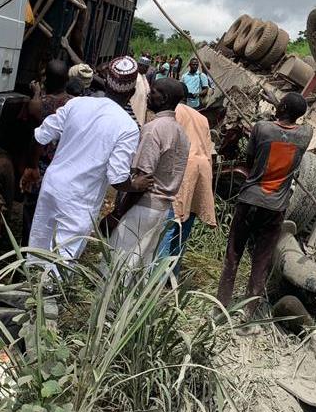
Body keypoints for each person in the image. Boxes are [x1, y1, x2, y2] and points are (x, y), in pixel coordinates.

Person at [21, 56, 152, 266]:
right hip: (79, 199)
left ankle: (29, 287)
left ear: (107, 82)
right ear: (131, 92)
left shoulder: (77, 104)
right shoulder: (127, 127)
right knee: (63, 258)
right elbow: (117, 178)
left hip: (52, 186)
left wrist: (32, 167)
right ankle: (48, 296)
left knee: (38, 245)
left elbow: (41, 135)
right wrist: (134, 185)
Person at [216, 93, 311, 324]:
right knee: (261, 259)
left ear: (284, 107)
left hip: (250, 199)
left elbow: (249, 161)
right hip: (276, 207)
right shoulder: (305, 135)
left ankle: (220, 308)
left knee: (233, 255)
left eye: (280, 104)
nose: (276, 106)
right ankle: (248, 313)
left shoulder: (262, 128)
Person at [107, 79, 189, 274]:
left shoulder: (153, 129)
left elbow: (143, 180)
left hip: (142, 207)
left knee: (119, 265)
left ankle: (110, 305)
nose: (148, 95)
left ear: (165, 98)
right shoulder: (181, 133)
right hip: (161, 210)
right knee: (140, 266)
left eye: (154, 92)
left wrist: (117, 215)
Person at [157, 90, 216, 278]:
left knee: (170, 224)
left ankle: (155, 277)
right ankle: (172, 275)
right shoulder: (202, 118)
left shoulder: (175, 111)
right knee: (185, 226)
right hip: (203, 170)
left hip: (185, 168)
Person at [22, 59, 72, 244]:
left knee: (32, 213)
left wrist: (36, 92)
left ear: (47, 80)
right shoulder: (74, 104)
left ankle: (27, 254)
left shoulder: (40, 103)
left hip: (41, 166)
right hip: (63, 168)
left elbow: (34, 115)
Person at [130, 56, 152, 126]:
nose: (146, 70)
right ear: (139, 65)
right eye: (145, 67)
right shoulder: (134, 76)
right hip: (134, 107)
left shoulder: (143, 76)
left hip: (142, 107)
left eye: (147, 68)